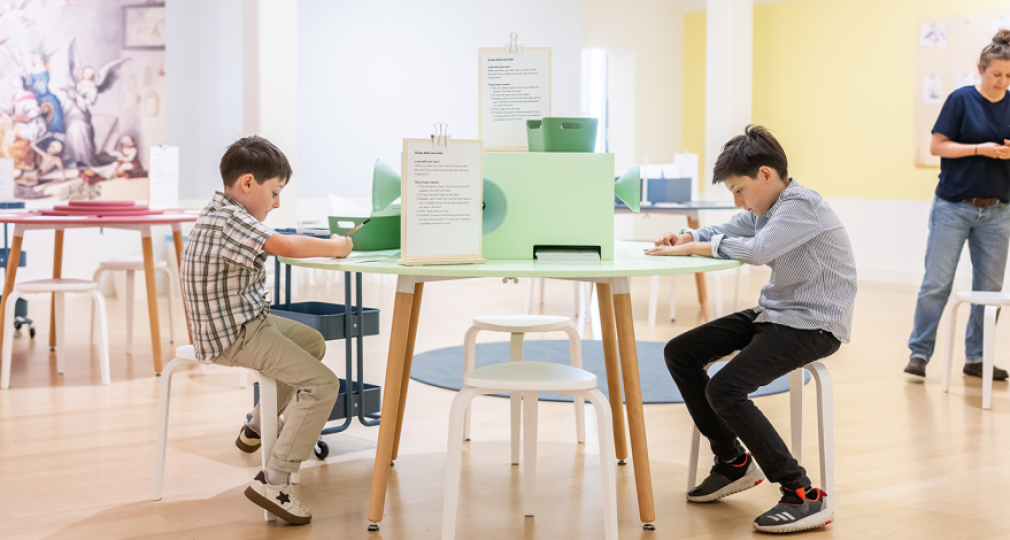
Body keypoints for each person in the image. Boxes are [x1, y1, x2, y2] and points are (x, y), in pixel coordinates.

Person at [646, 125, 856, 533]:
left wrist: (695, 248)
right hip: (775, 313)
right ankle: (733, 461)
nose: (738, 200)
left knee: (725, 389)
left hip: (814, 324)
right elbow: (732, 228)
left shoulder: (801, 205)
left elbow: (758, 251)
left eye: (739, 190)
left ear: (765, 174)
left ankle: (802, 494)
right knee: (681, 352)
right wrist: (688, 236)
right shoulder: (768, 207)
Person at [180, 136, 354, 525]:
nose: (276, 204)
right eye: (274, 192)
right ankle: (275, 481)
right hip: (234, 333)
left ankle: (257, 426)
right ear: (247, 183)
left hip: (241, 321)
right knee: (324, 384)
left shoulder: (219, 212)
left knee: (311, 342)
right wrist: (335, 247)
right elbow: (284, 246)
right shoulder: (231, 220)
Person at [904, 30, 1010, 380]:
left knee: (989, 292)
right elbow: (937, 146)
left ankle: (977, 358)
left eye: (1008, 76)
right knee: (937, 283)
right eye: (996, 74)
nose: (1002, 81)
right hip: (953, 207)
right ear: (980, 69)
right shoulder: (960, 100)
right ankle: (920, 353)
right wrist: (981, 149)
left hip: (999, 211)